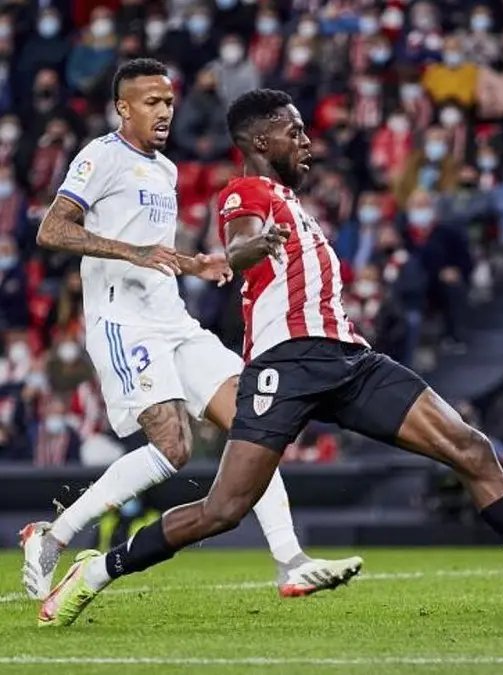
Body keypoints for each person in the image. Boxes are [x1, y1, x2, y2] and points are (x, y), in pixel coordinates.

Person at [38, 88, 503, 627]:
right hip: (287, 364)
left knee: (471, 448)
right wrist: (253, 246)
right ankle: (96, 572)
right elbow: (239, 244)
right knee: (224, 510)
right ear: (259, 141)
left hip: (350, 359)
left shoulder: (294, 203)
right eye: (294, 131)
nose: (307, 142)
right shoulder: (246, 192)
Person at [24, 60, 358, 603]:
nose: (164, 112)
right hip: (123, 320)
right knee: (173, 447)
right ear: (123, 108)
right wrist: (132, 252)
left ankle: (290, 562)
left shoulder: (165, 169)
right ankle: (54, 534)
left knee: (255, 424)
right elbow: (52, 228)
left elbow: (155, 250)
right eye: (151, 102)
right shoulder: (102, 155)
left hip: (173, 319)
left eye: (169, 102)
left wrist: (195, 264)